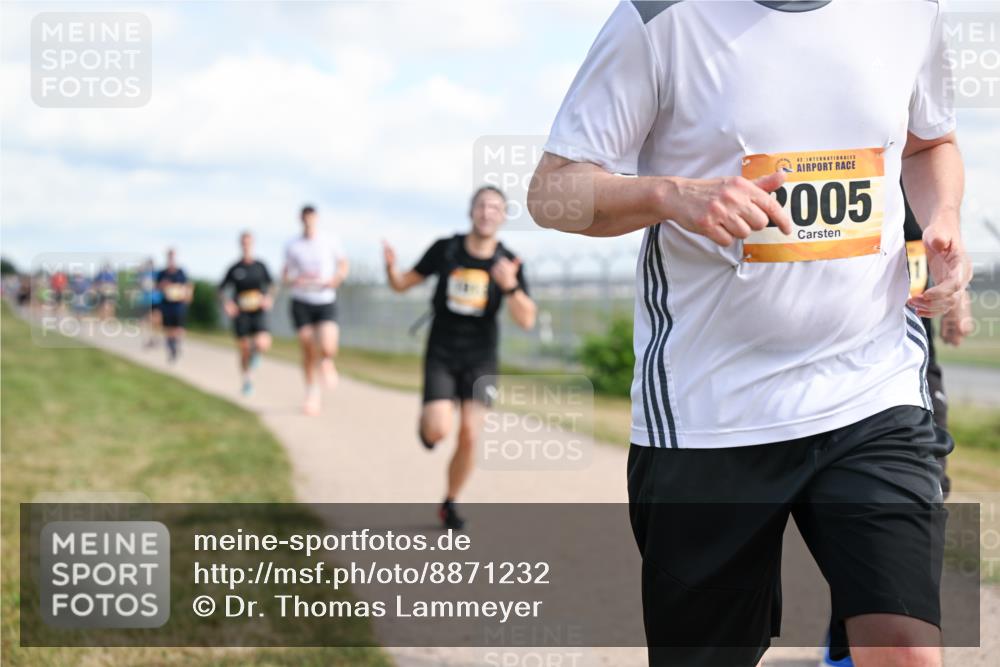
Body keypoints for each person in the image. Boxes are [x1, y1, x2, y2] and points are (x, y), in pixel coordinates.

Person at [529, 2, 968, 666]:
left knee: (906, 649)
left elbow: (930, 141)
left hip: (871, 388)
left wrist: (946, 219)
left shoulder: (909, 11)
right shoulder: (659, 19)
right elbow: (550, 192)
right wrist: (671, 195)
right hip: (711, 411)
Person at [820, 190, 974, 667]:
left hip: (903, 367)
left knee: (918, 496)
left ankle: (859, 636)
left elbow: (935, 245)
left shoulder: (910, 173)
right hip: (815, 362)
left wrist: (959, 301)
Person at [383, 185, 537, 530]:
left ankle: (450, 501)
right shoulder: (446, 249)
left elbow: (527, 319)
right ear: (471, 211)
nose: (487, 213)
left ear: (502, 217)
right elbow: (403, 283)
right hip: (442, 352)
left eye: (495, 208)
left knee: (469, 433)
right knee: (438, 431)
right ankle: (429, 427)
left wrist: (510, 286)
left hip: (481, 357)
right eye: (482, 206)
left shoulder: (507, 262)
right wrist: (391, 269)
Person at [282, 205, 350, 415]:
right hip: (301, 300)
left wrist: (336, 279)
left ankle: (327, 361)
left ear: (317, 219)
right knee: (307, 347)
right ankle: (312, 393)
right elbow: (285, 275)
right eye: (305, 219)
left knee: (328, 344)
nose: (308, 222)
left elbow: (343, 264)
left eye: (312, 218)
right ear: (300, 219)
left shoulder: (329, 240)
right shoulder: (292, 244)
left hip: (324, 299)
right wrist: (295, 279)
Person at [219, 232, 275, 396]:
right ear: (240, 244)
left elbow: (271, 285)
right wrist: (227, 303)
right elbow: (221, 290)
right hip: (241, 313)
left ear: (253, 244)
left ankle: (256, 355)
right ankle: (247, 380)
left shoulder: (260, 266)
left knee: (263, 343)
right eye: (243, 243)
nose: (246, 246)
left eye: (249, 243)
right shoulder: (234, 268)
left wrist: (268, 298)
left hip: (258, 311)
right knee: (244, 348)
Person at [156, 248, 192, 363]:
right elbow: (156, 287)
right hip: (166, 305)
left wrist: (187, 296)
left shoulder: (181, 272)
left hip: (178, 305)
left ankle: (176, 343)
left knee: (179, 328)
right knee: (168, 328)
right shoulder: (162, 273)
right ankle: (171, 346)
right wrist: (162, 285)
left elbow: (188, 286)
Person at [137, 259, 163, 348]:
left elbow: (160, 284)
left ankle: (154, 338)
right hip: (146, 301)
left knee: (155, 321)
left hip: (155, 300)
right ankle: (149, 339)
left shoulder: (157, 274)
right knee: (145, 321)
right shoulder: (143, 274)